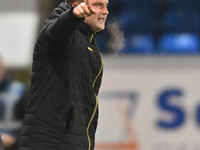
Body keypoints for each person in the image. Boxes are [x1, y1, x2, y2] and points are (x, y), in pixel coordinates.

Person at [19, 0, 109, 149]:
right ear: (76, 6)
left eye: (106, 5)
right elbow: (55, 35)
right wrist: (72, 17)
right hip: (51, 144)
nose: (105, 12)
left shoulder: (89, 42)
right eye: (98, 5)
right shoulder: (62, 30)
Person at [0, 58, 29, 150]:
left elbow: (31, 121)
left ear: (3, 68)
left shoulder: (20, 91)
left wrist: (15, 138)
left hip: (15, 144)